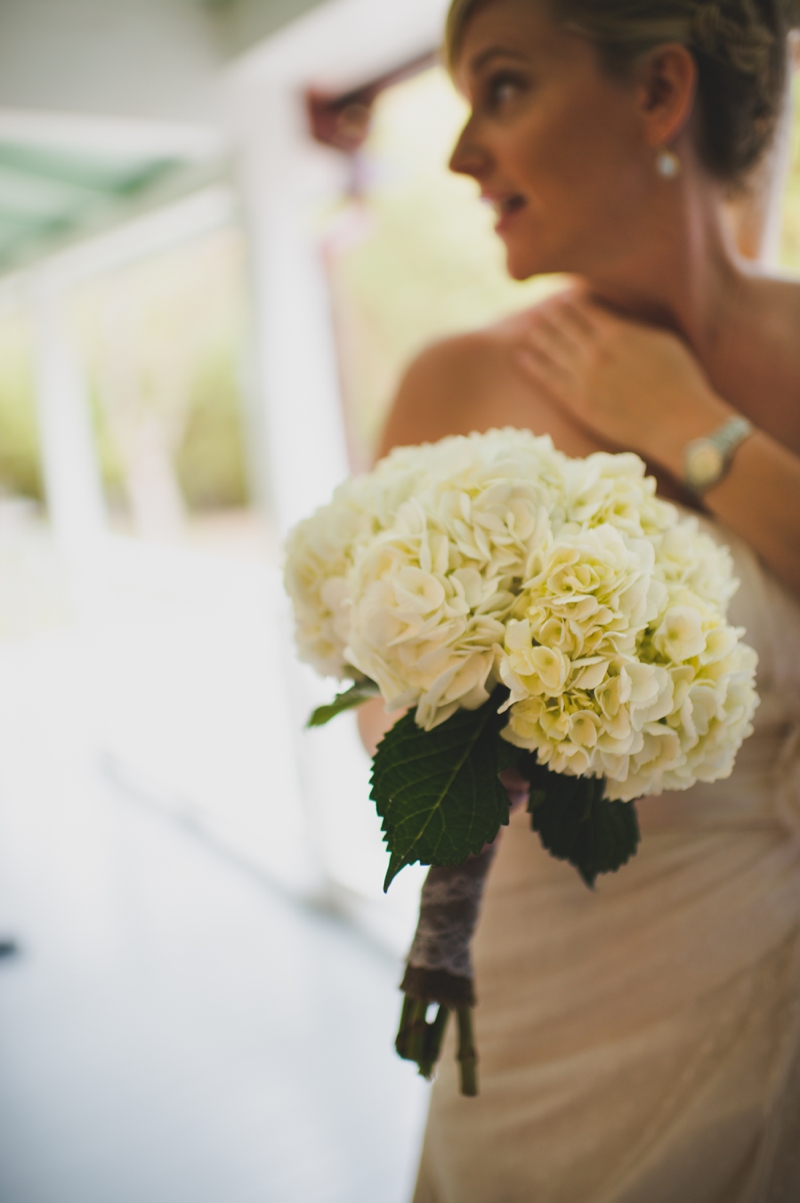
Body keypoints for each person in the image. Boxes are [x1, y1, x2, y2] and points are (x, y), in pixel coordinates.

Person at [357, 0, 800, 1198]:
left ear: (658, 94)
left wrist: (694, 434)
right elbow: (400, 744)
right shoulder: (455, 386)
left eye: (501, 88)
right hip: (559, 1025)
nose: (462, 153)